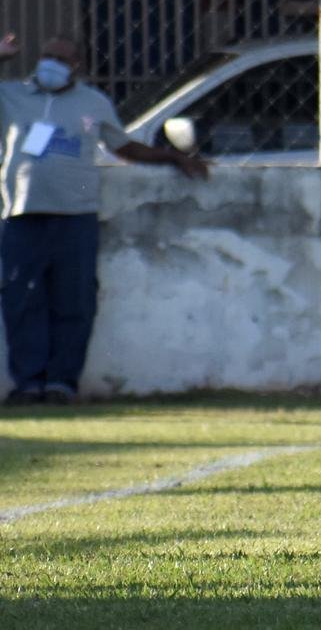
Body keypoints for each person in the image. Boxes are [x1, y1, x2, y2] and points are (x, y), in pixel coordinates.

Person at [0, 34, 209, 406]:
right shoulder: (12, 96)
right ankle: (28, 384)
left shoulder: (92, 103)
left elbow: (123, 146)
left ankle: (62, 383)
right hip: (21, 213)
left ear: (77, 66)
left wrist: (173, 158)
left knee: (74, 302)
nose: (52, 63)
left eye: (61, 58)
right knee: (21, 300)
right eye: (47, 55)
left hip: (75, 215)